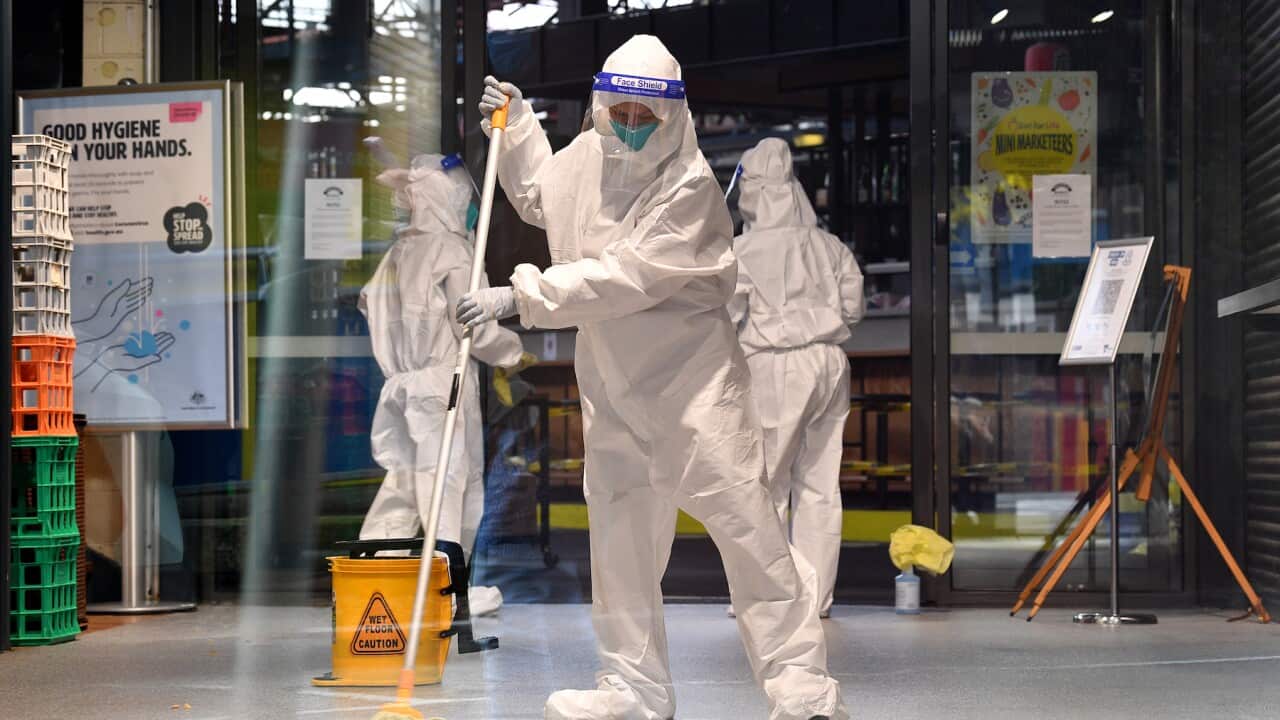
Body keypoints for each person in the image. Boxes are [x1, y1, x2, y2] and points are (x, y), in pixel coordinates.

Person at [457, 35, 847, 720]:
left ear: (674, 117)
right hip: (611, 388)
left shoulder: (691, 187)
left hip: (693, 389)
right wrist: (518, 127)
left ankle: (799, 685)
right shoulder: (590, 154)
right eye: (620, 116)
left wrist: (520, 294)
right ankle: (632, 689)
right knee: (619, 540)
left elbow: (625, 276)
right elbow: (543, 196)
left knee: (748, 530)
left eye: (647, 119)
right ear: (601, 107)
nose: (632, 131)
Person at [360, 150, 531, 617]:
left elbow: (368, 306)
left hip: (400, 384)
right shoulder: (453, 252)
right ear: (450, 198)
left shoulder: (399, 252)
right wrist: (514, 353)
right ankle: (448, 593)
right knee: (449, 489)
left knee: (404, 485)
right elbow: (471, 324)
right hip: (442, 386)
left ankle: (373, 584)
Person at [728, 137, 865, 619]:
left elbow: (727, 314)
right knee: (821, 482)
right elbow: (854, 307)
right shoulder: (830, 246)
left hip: (774, 365)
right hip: (830, 363)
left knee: (766, 481)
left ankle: (769, 595)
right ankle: (815, 597)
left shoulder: (743, 251)